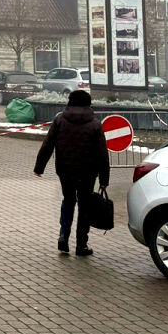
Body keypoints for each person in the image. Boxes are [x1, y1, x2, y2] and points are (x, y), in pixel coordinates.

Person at [33, 89, 110, 256]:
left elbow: (48, 144)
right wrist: (104, 179)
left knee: (68, 200)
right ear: (88, 104)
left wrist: (39, 167)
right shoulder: (95, 124)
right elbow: (102, 154)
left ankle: (63, 236)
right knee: (84, 206)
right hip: (88, 173)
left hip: (65, 170)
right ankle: (81, 245)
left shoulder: (60, 120)